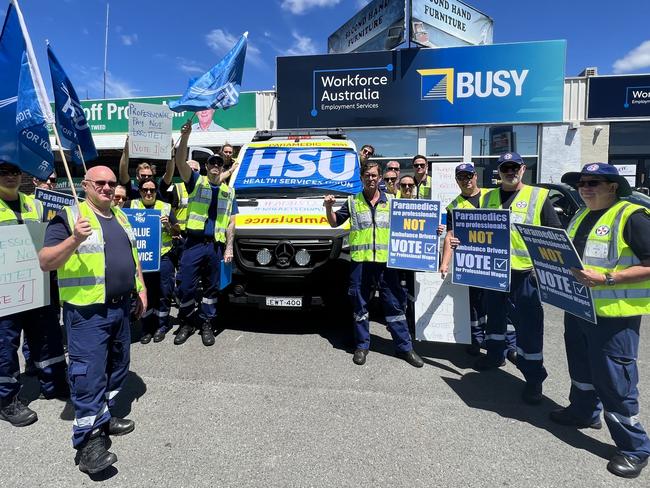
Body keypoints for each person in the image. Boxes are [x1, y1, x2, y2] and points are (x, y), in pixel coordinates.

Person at [39, 165, 147, 475]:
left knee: (117, 366)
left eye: (112, 183)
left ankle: (105, 415)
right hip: (87, 312)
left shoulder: (120, 216)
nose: (107, 187)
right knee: (88, 376)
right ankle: (87, 443)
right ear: (86, 185)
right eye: (99, 182)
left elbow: (132, 257)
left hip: (119, 308)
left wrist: (140, 289)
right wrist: (74, 239)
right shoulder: (69, 217)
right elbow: (46, 262)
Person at [550, 163, 650, 479]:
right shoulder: (581, 214)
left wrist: (609, 278)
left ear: (613, 186)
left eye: (594, 182)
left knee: (615, 381)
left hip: (614, 316)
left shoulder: (631, 215)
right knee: (581, 368)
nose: (585, 187)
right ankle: (583, 412)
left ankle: (635, 449)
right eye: (582, 183)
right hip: (579, 307)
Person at [466, 152, 562, 404]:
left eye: (514, 167)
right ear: (498, 171)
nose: (509, 171)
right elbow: (475, 230)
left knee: (529, 328)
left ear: (522, 168)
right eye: (504, 167)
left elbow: (553, 238)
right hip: (493, 273)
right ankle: (495, 355)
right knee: (495, 318)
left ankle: (533, 379)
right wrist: (455, 238)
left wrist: (544, 272)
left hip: (524, 276)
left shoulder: (538, 197)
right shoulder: (487, 197)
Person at [324, 161, 424, 368]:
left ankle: (405, 348)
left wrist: (434, 230)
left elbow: (414, 226)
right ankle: (362, 346)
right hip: (361, 264)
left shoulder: (393, 201)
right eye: (367, 175)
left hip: (387, 264)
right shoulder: (352, 202)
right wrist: (328, 207)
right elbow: (334, 222)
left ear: (380, 178)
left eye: (374, 175)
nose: (371, 178)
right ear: (362, 178)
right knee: (360, 305)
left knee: (394, 305)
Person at [0, 161, 68, 427]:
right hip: (4, 291)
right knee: (5, 345)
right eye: (3, 172)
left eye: (15, 172)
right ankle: (7, 400)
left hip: (36, 285)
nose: (10, 177)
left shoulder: (35, 203)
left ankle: (53, 383)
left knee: (47, 336)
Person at [440, 163, 517, 357]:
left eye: (469, 176)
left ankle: (510, 346)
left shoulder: (492, 196)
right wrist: (444, 263)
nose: (466, 181)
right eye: (461, 178)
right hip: (471, 264)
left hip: (495, 263)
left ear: (476, 176)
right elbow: (450, 235)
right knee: (474, 305)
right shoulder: (454, 206)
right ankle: (477, 339)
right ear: (457, 181)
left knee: (501, 306)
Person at [173, 121, 236, 347]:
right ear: (207, 166)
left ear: (222, 167)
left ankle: (207, 322)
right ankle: (187, 322)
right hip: (194, 244)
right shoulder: (196, 183)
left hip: (215, 246)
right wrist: (186, 137)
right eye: (212, 163)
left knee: (211, 289)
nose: (215, 167)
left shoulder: (229, 192)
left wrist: (229, 247)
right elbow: (180, 162)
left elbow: (231, 222)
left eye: (219, 164)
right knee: (186, 286)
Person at [125, 177, 180, 344]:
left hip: (163, 256)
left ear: (156, 192)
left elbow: (177, 231)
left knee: (164, 292)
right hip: (143, 260)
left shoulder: (165, 207)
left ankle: (161, 326)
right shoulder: (130, 206)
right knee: (144, 293)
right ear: (140, 191)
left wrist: (169, 226)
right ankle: (146, 327)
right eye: (145, 190)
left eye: (152, 190)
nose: (148, 193)